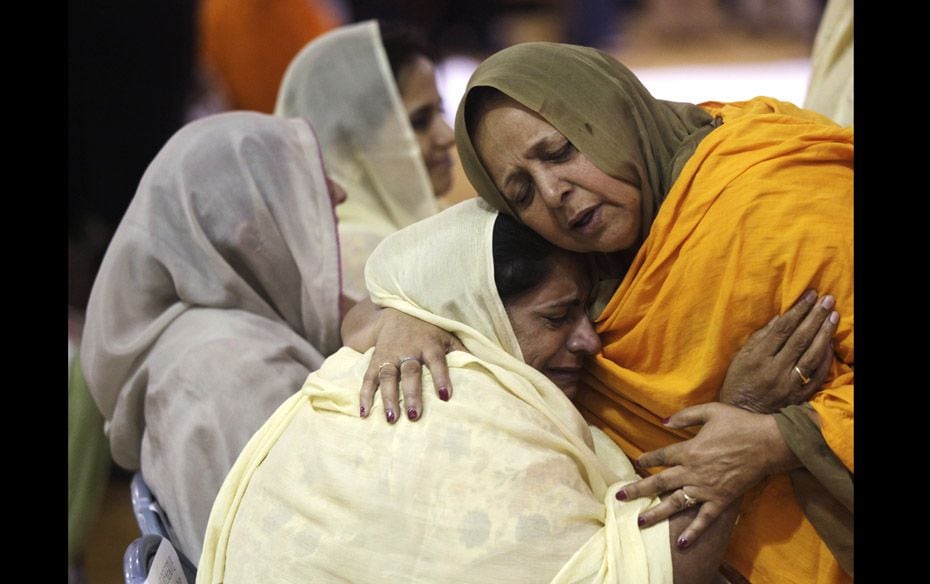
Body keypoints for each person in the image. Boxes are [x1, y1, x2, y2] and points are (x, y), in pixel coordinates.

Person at [345, 42, 853, 582]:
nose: (554, 192)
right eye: (519, 192)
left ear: (612, 115)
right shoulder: (577, 263)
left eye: (561, 152)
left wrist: (777, 439)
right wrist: (409, 315)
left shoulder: (776, 198)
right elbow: (391, 288)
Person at [199, 198, 834, 583]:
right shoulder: (457, 409)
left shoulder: (379, 351)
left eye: (588, 313)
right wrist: (744, 413)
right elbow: (655, 574)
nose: (588, 341)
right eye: (557, 318)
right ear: (479, 309)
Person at [80, 112, 348, 564]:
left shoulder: (208, 341)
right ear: (248, 234)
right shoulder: (232, 372)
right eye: (307, 187)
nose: (338, 193)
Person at [275, 20, 456, 301]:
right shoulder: (355, 258)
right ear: (347, 148)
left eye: (441, 111)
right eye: (420, 121)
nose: (447, 136)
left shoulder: (437, 219)